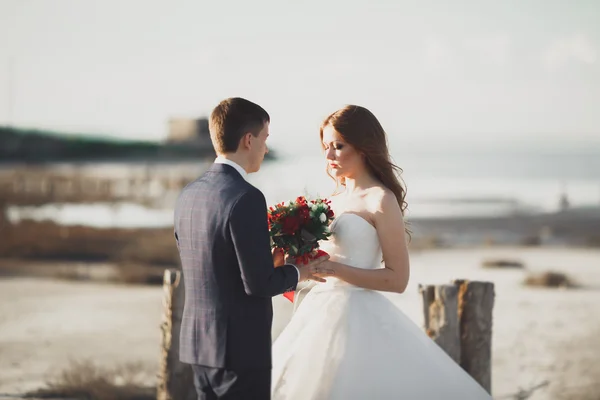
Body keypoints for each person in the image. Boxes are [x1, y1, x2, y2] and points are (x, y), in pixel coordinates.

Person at [271, 105, 492, 399]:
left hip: (359, 317)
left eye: (338, 146)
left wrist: (335, 269)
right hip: (316, 312)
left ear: (363, 147)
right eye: (326, 147)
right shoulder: (330, 201)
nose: (329, 156)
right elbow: (315, 261)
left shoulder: (381, 200)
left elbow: (397, 279)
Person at [174, 97, 327, 400]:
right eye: (264, 138)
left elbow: (211, 265)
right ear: (248, 140)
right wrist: (300, 271)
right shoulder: (246, 197)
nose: (266, 148)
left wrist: (265, 263)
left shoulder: (189, 194)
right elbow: (258, 285)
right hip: (239, 351)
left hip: (198, 344)